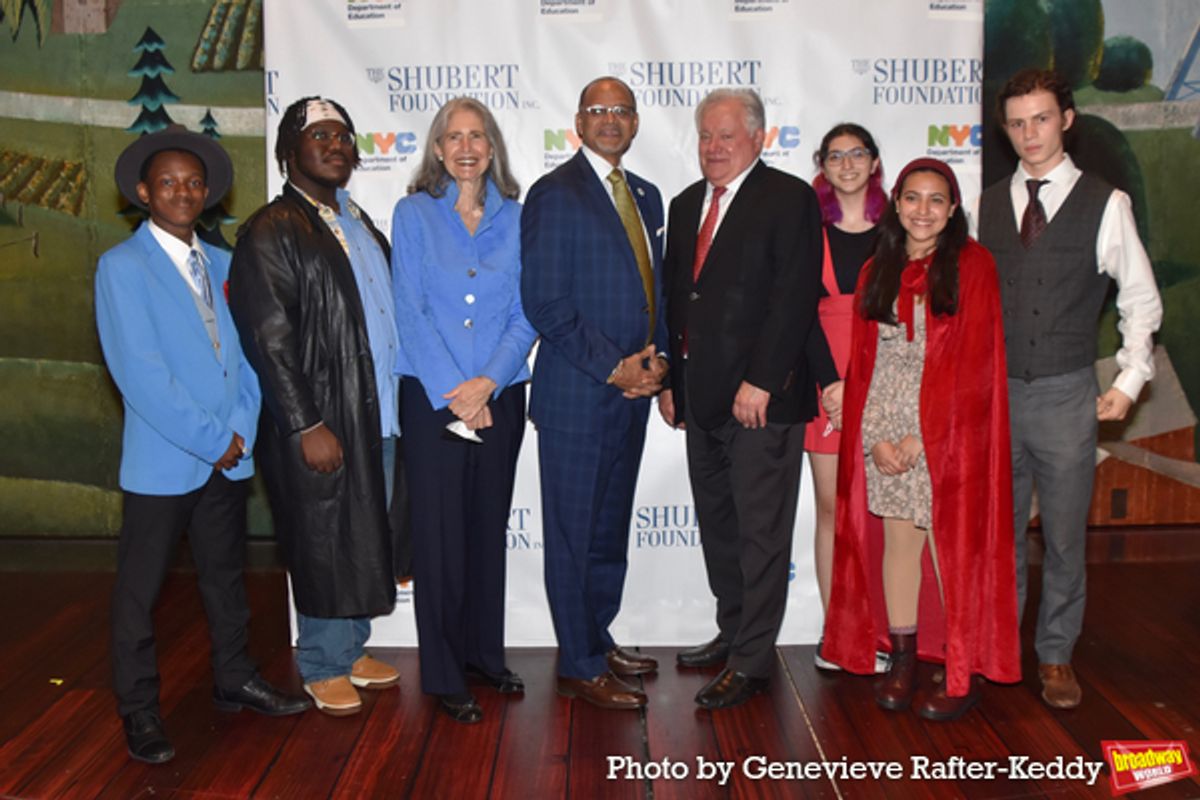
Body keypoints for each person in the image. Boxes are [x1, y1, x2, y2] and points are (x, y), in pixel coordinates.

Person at [97, 126, 310, 764]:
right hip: (168, 460)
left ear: (208, 192)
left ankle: (234, 677)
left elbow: (249, 358)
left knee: (225, 578)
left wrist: (239, 430)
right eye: (167, 182)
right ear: (143, 192)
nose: (182, 192)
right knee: (139, 593)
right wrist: (216, 438)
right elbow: (142, 377)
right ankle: (139, 710)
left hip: (229, 455)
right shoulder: (122, 268)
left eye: (193, 182)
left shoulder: (223, 263)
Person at [977, 69, 1162, 710]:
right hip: (995, 397)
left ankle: (1055, 654)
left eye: (1041, 119)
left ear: (1067, 119)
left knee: (1062, 538)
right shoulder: (984, 204)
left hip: (1064, 396)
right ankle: (999, 647)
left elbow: (1141, 300)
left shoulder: (1105, 204)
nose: (1030, 133)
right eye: (1017, 122)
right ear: (1005, 130)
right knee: (996, 536)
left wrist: (1131, 380)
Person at [823, 158, 1020, 721]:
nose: (923, 210)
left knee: (950, 550)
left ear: (954, 208)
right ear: (898, 203)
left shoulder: (974, 265)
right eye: (913, 198)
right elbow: (868, 359)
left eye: (937, 200)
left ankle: (961, 670)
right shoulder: (877, 266)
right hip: (884, 420)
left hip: (946, 429)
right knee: (900, 544)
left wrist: (923, 436)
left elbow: (976, 364)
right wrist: (875, 434)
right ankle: (904, 659)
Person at [229, 97, 402, 717]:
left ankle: (350, 648)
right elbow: (268, 337)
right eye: (320, 135)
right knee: (325, 537)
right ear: (288, 151)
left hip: (375, 414)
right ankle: (323, 662)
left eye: (344, 136)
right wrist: (305, 421)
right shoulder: (272, 230)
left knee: (361, 533)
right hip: (324, 420)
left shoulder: (359, 223)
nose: (336, 145)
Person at [659, 88, 823, 710]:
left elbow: (794, 295)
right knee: (719, 527)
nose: (714, 147)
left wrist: (763, 378)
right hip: (699, 400)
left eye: (727, 135)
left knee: (761, 535)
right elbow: (681, 304)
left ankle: (753, 660)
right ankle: (732, 631)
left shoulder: (789, 198)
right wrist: (673, 382)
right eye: (706, 136)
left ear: (759, 137)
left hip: (761, 401)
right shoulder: (683, 206)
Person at [520, 76, 666, 710]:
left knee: (608, 534)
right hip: (580, 396)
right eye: (598, 110)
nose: (611, 120)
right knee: (575, 534)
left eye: (622, 111)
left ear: (635, 123)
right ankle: (577, 664)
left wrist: (656, 367)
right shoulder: (554, 194)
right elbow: (544, 304)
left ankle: (596, 637)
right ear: (578, 121)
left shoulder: (647, 196)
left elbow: (650, 293)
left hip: (632, 398)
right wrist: (615, 369)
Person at [390, 97, 537, 724]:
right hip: (432, 398)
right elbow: (410, 308)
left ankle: (483, 655)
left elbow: (526, 310)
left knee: (484, 530)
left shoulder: (522, 218)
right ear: (437, 148)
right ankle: (445, 673)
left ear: (493, 146)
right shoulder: (413, 214)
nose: (467, 146)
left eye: (478, 135)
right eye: (454, 136)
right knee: (441, 540)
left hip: (500, 395)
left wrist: (489, 383)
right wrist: (458, 391)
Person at [804, 123, 889, 673]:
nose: (848, 163)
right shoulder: (808, 228)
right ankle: (839, 631)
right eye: (836, 155)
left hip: (886, 380)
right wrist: (833, 385)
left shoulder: (900, 228)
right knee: (833, 509)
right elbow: (799, 311)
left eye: (857, 153)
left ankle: (883, 630)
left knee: (880, 513)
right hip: (824, 383)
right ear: (823, 165)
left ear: (874, 161)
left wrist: (863, 385)